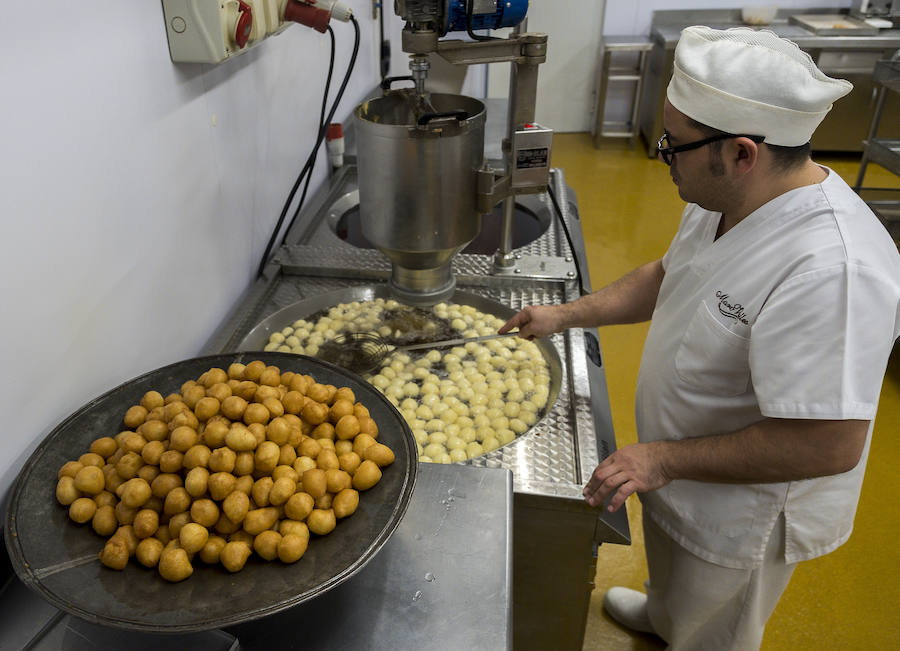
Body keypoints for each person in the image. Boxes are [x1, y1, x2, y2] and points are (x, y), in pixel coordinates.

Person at [500, 26, 900, 650]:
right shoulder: (725, 194)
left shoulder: (834, 271)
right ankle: (666, 614)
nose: (664, 157)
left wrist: (659, 459)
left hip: (741, 517)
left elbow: (828, 444)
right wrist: (565, 315)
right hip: (681, 473)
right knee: (677, 593)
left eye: (674, 147)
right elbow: (669, 276)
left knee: (713, 628)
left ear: (743, 152)